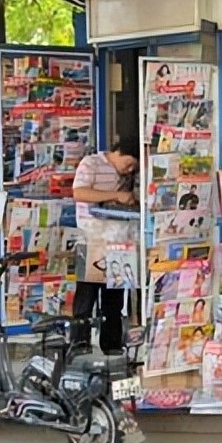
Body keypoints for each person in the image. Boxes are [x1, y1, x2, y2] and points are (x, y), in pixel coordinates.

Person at [72, 136, 139, 354]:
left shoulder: (128, 177)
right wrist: (116, 195)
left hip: (119, 240)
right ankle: (78, 347)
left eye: (133, 168)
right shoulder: (90, 163)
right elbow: (79, 193)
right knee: (85, 299)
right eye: (128, 163)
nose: (128, 170)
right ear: (118, 151)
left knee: (114, 301)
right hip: (92, 240)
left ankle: (112, 347)